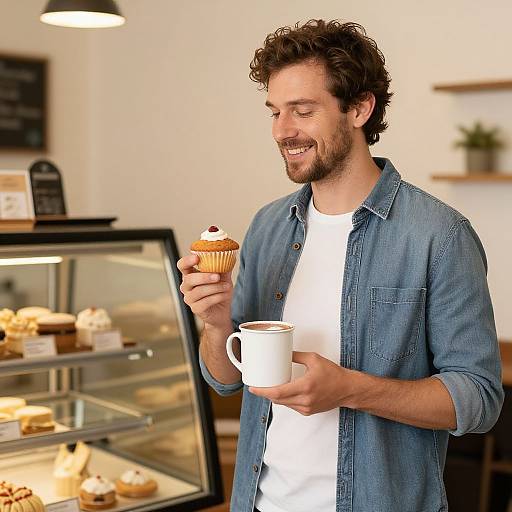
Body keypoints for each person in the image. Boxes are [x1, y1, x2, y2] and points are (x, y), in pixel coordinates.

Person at [177, 19, 504, 512]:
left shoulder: (439, 235)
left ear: (359, 108)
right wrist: (216, 321)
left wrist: (350, 389)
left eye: (302, 111)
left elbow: (478, 400)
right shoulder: (268, 226)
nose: (282, 131)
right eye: (275, 112)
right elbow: (225, 377)